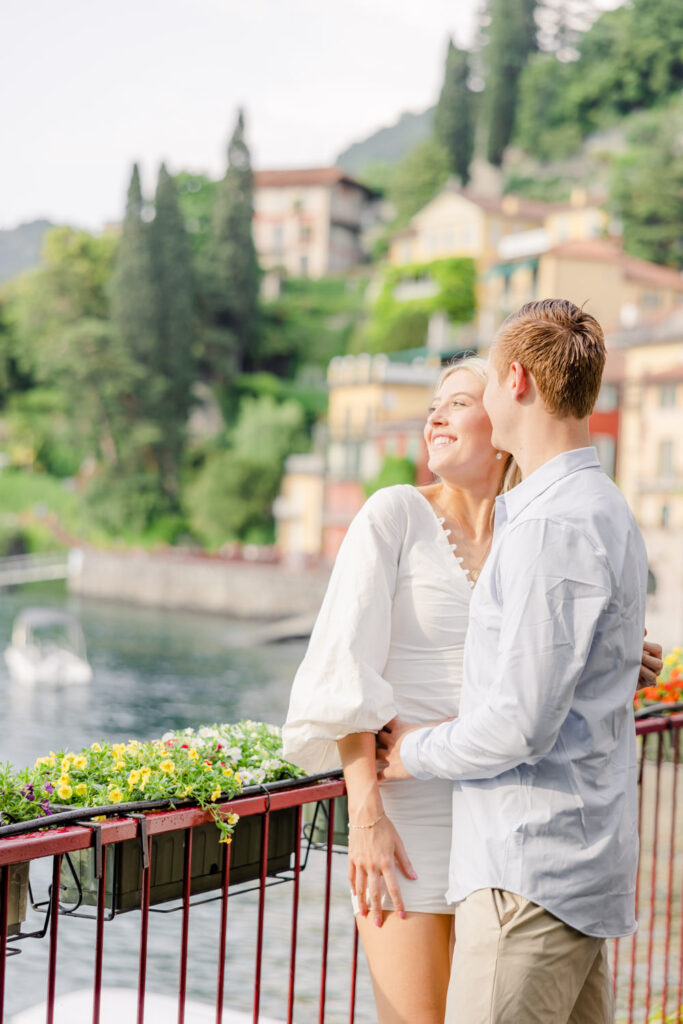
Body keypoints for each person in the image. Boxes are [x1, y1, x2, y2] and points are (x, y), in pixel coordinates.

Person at [283, 348, 660, 1023]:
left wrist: (605, 658)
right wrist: (365, 816)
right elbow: (343, 670)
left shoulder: (535, 529)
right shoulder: (392, 514)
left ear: (500, 412)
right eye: (432, 405)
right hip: (412, 824)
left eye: (456, 400)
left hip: (512, 831)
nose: (435, 416)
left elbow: (535, 668)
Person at [378, 299, 649, 1024]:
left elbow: (518, 726)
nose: (484, 398)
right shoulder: (604, 507)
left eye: (486, 383)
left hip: (527, 882)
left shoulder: (547, 528)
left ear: (518, 381)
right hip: (575, 874)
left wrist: (409, 753)